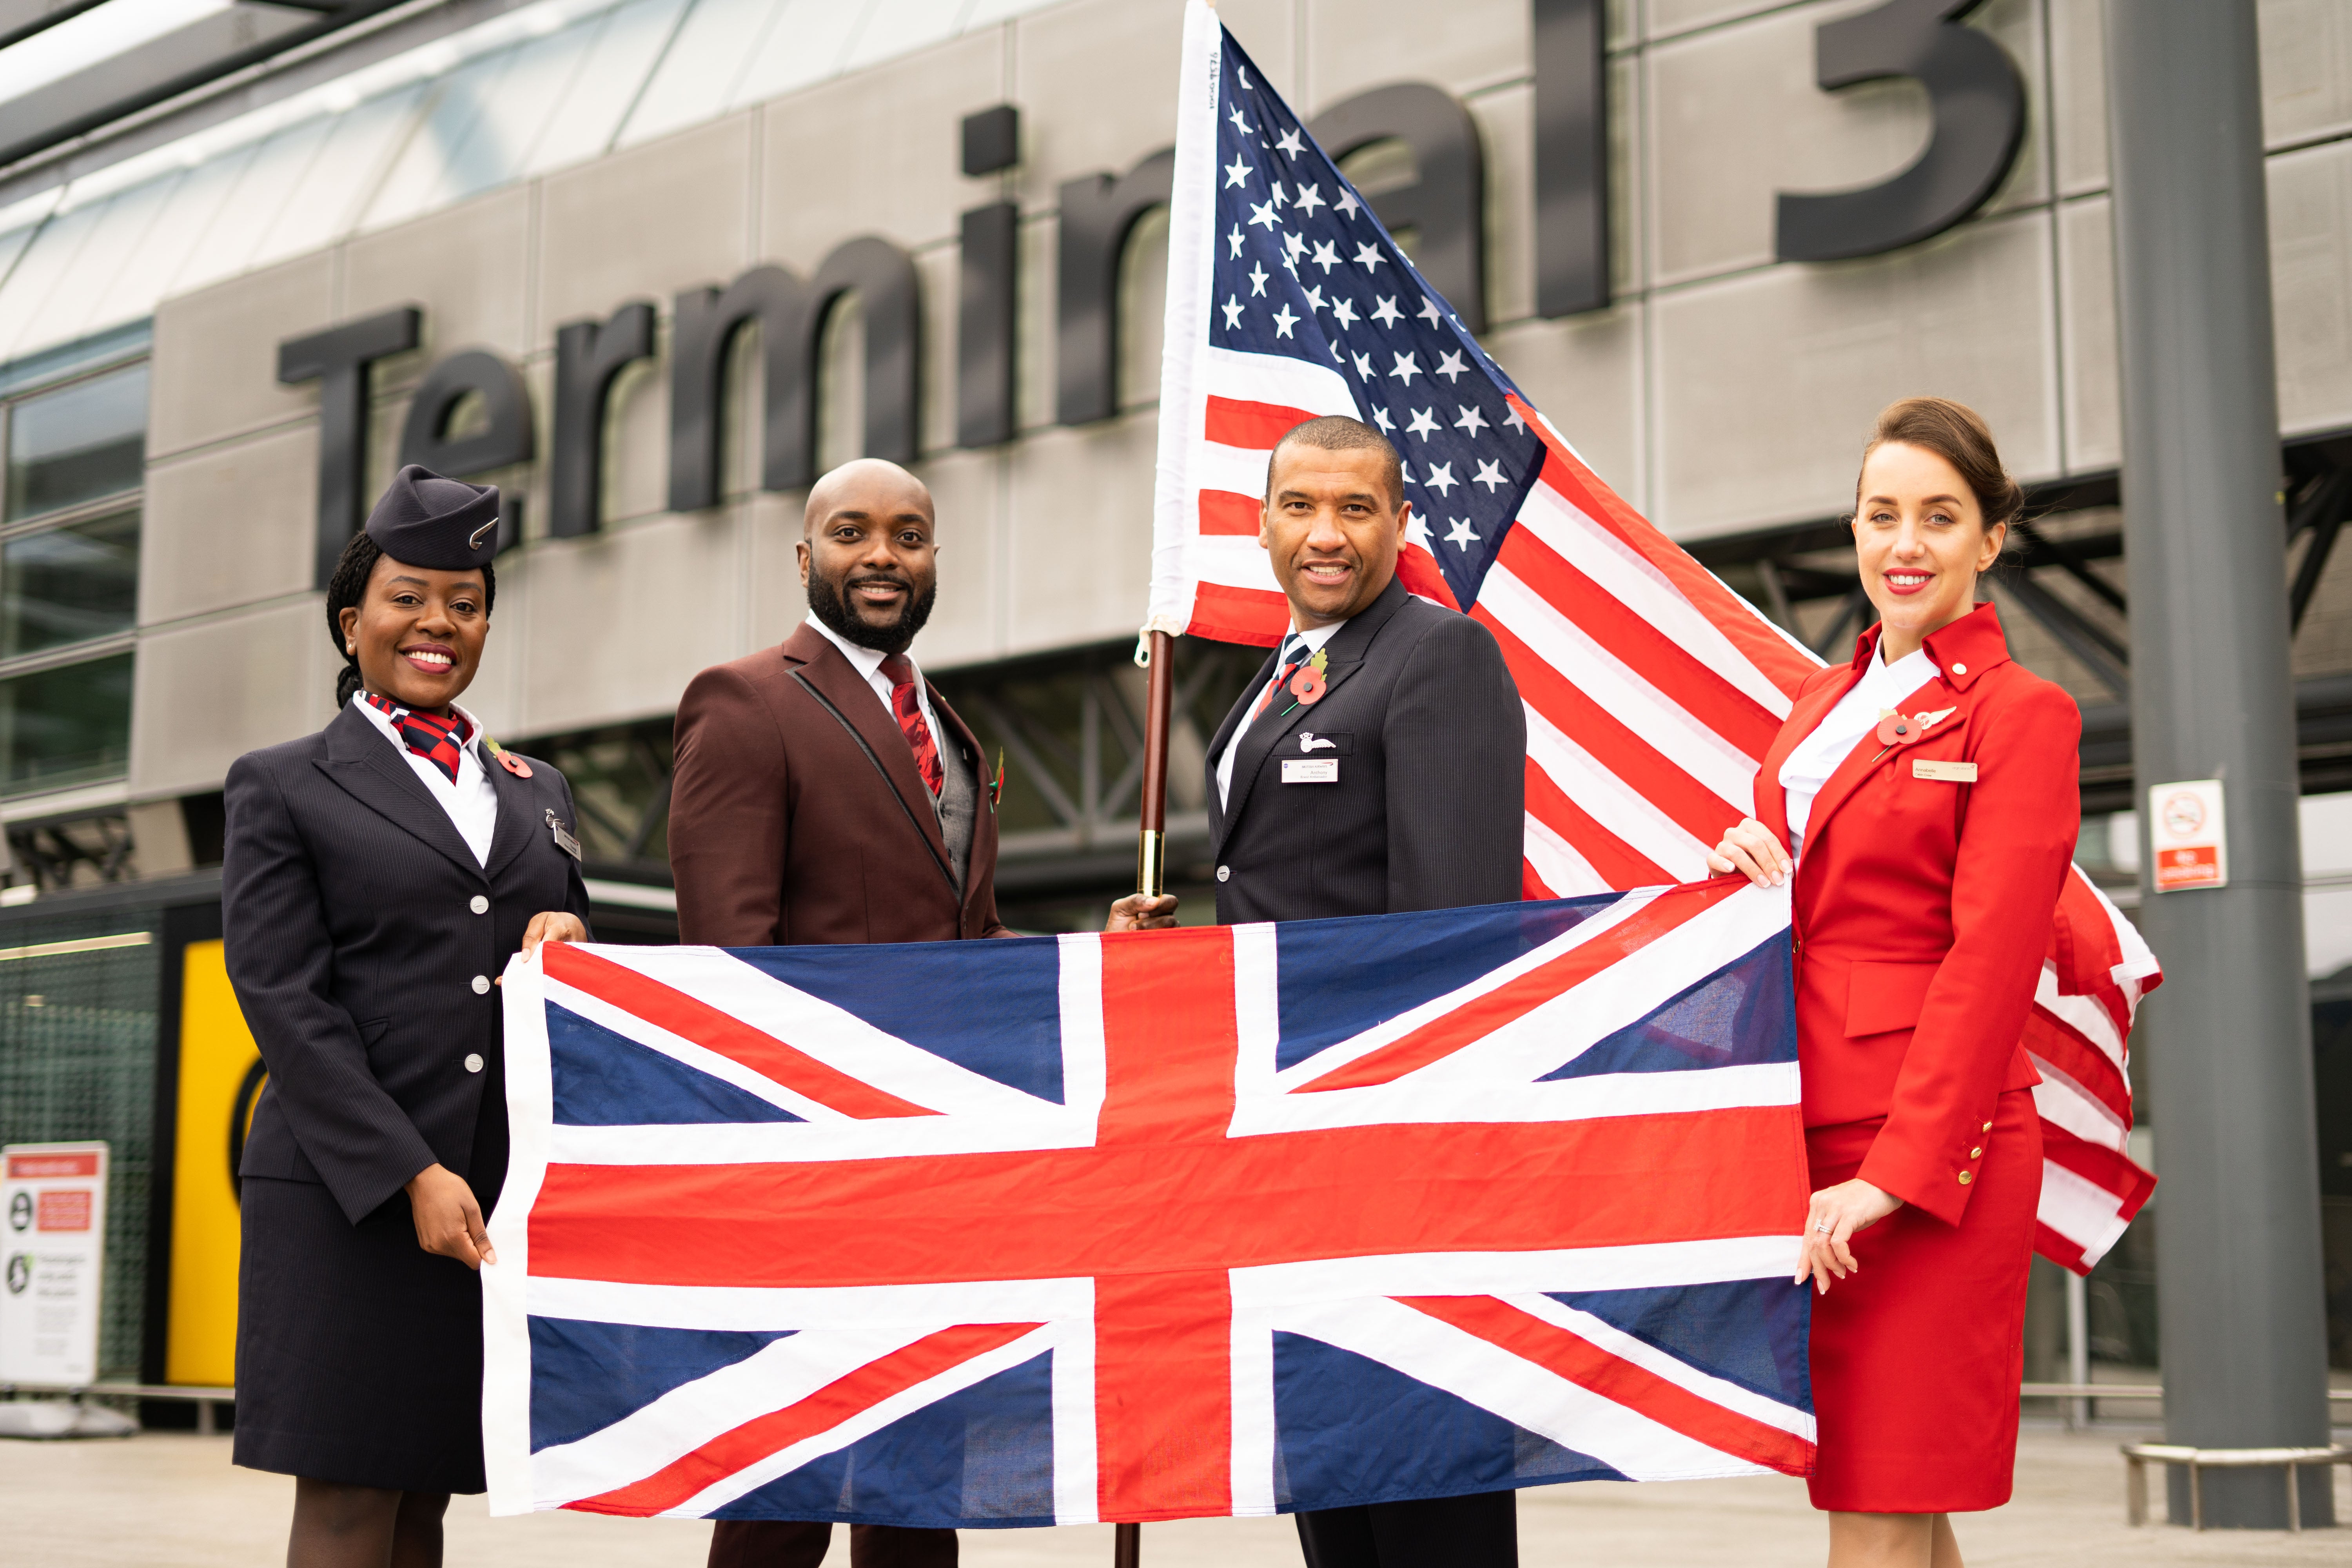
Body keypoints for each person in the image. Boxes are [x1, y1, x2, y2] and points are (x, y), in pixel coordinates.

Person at [668, 457, 1172, 1568]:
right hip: (816, 1167)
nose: (883, 556)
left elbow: (966, 948)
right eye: (853, 533)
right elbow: (727, 968)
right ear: (807, 559)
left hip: (936, 1174)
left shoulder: (948, 728)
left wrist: (1098, 961)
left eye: (910, 535)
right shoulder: (744, 703)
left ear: (935, 558)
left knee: (920, 1470)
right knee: (788, 1485)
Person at [1706, 398, 2079, 1568]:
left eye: (1939, 516)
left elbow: (1992, 962)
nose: (1904, 543)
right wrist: (1742, 867)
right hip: (1806, 1130)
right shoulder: (1820, 707)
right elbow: (1806, 908)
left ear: (1991, 540)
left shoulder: (2024, 716)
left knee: (1874, 1501)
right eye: (1882, 515)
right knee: (1896, 1492)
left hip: (1921, 1156)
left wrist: (1895, 1179)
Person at [223, 465, 593, 1568]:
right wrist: (408, 1172)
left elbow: (549, 960)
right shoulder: (284, 783)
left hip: (482, 1203)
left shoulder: (539, 791)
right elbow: (285, 1000)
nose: (438, 623)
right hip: (351, 1197)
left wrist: (572, 950)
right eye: (408, 597)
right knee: (346, 1506)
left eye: (466, 602)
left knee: (425, 1503)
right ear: (353, 622)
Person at [1204, 416, 1524, 1565]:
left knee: (1426, 1499)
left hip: (1391, 1156)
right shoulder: (1277, 683)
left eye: (1354, 509)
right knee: (1334, 1491)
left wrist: (1405, 1147)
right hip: (1286, 1156)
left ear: (1398, 522)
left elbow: (1456, 929)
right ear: (1263, 524)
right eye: (1300, 507)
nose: (1325, 535)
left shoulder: (1437, 655)